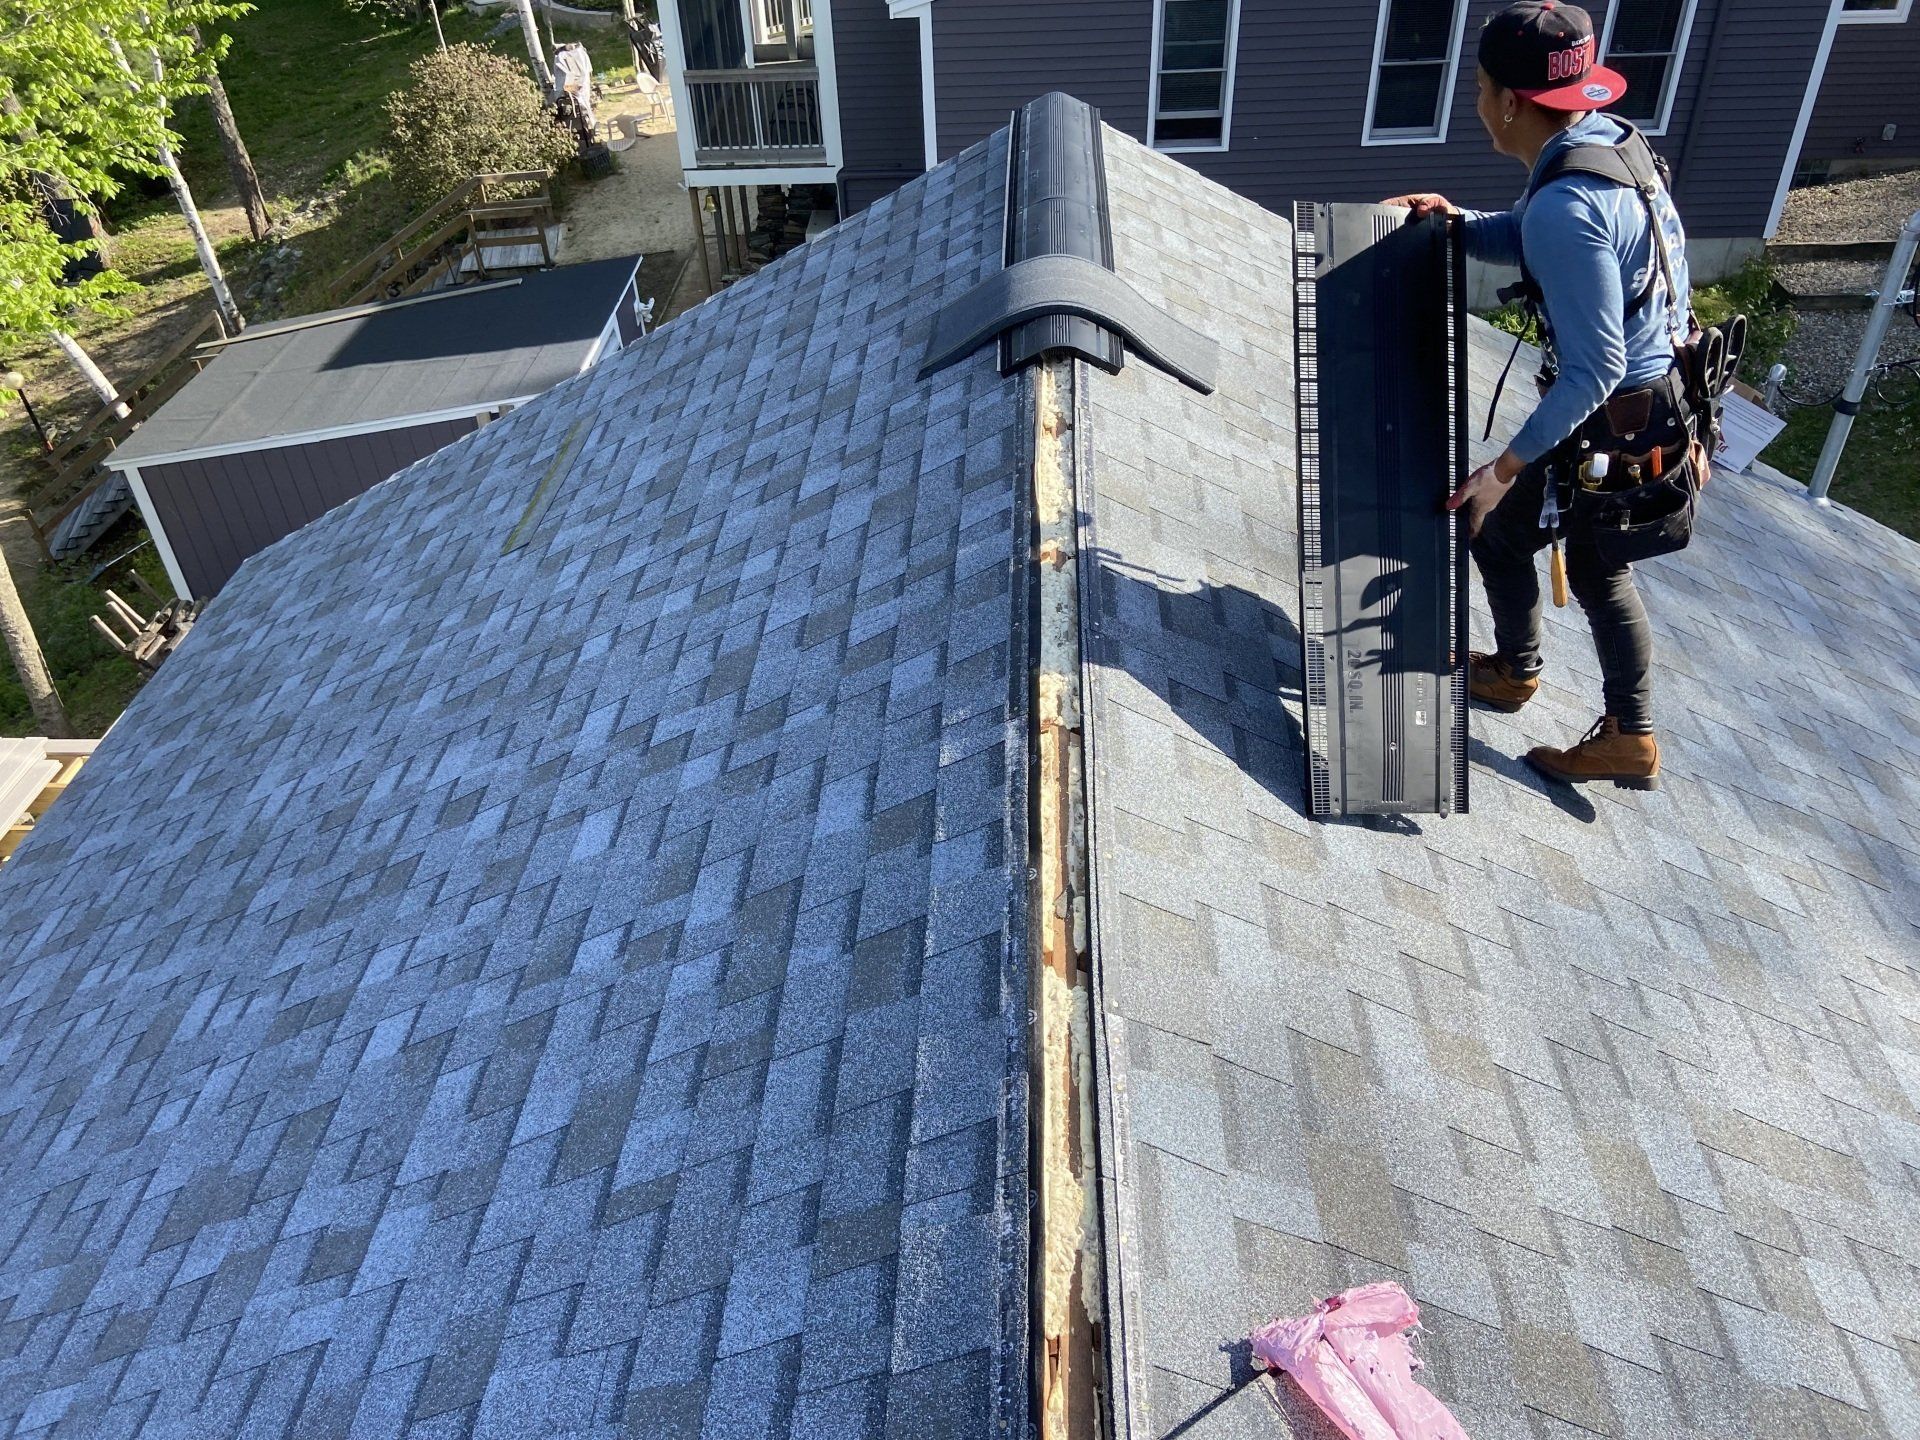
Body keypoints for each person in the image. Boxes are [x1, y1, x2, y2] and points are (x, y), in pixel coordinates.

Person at [1386, 0, 1698, 792]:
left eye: (1481, 86)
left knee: (1495, 526)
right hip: (1655, 403)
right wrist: (1455, 225)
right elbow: (1530, 235)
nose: (1479, 101)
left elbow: (1595, 368)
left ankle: (1556, 693)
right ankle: (1600, 716)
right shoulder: (1603, 142)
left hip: (1615, 414)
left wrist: (1504, 468)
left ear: (1509, 103)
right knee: (1590, 567)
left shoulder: (1568, 202)